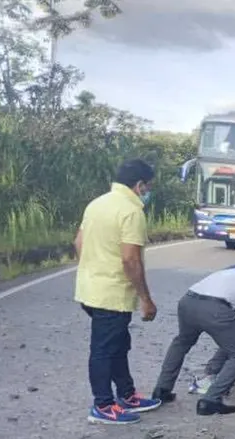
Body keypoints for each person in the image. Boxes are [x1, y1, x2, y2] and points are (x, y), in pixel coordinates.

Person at [74, 159, 162, 425]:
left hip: (90, 289)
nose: (148, 191)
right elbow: (130, 260)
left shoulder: (97, 204)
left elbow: (78, 242)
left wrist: (93, 269)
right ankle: (102, 405)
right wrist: (146, 299)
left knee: (118, 344)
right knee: (104, 349)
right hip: (111, 295)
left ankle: (127, 395)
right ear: (139, 185)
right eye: (148, 187)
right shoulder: (131, 211)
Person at [150, 256, 235, 414]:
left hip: (188, 300)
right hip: (217, 308)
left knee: (182, 342)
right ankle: (211, 400)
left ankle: (162, 389)